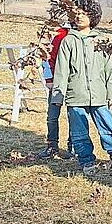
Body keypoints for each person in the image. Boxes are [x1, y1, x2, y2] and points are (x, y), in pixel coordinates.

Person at [50, 0, 112, 174]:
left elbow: (109, 69)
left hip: (99, 94)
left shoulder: (100, 41)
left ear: (93, 17)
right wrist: (58, 96)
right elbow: (62, 71)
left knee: (108, 126)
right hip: (75, 95)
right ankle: (86, 160)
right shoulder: (68, 41)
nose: (79, 17)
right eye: (77, 13)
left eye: (84, 14)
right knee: (79, 132)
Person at [35, 21, 72, 159]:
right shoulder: (59, 35)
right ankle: (52, 145)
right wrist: (49, 79)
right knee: (52, 115)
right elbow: (47, 57)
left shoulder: (79, 35)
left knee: (73, 115)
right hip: (57, 81)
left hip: (73, 82)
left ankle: (72, 146)